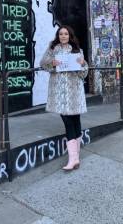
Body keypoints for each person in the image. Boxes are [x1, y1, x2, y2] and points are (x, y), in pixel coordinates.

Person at [40, 25, 88, 171]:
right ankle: (74, 159)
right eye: (61, 34)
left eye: (66, 34)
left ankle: (75, 158)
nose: (63, 36)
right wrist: (51, 63)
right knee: (67, 121)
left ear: (70, 36)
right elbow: (43, 64)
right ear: (58, 36)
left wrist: (83, 64)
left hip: (74, 92)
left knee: (75, 120)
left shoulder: (77, 51)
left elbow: (84, 74)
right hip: (60, 93)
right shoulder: (52, 49)